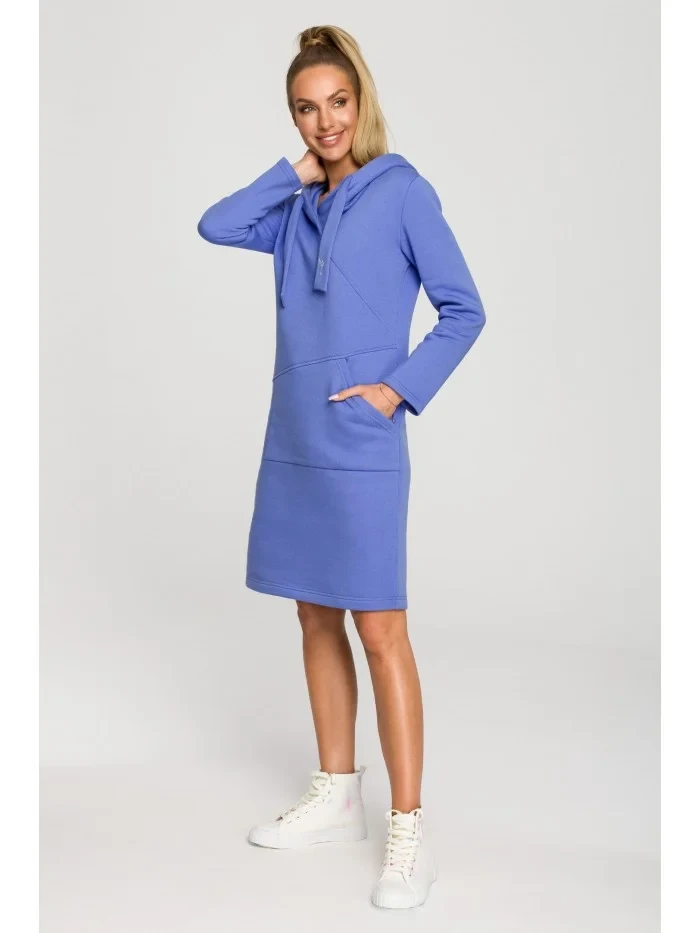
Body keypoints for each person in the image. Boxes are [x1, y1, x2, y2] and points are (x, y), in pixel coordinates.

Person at [197, 24, 486, 910]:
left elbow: (464, 308)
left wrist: (396, 391)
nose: (325, 122)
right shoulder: (295, 207)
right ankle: (337, 793)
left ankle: (408, 828)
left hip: (360, 441)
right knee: (313, 612)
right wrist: (299, 172)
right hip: (294, 436)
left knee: (380, 628)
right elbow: (216, 223)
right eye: (306, 109)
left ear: (362, 101)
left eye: (337, 102)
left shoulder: (404, 193)